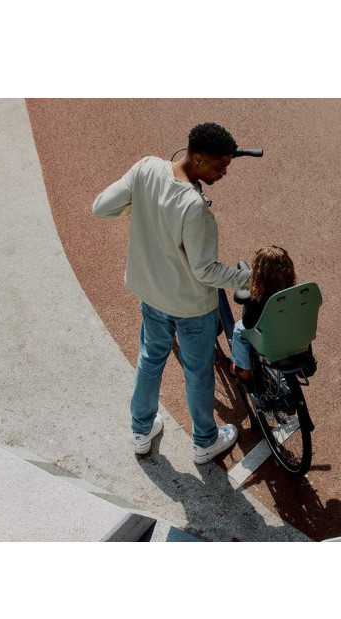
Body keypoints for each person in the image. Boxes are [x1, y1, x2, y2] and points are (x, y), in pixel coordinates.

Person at [92, 123, 251, 463]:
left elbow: (101, 207)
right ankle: (205, 441)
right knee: (198, 372)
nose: (224, 173)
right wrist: (246, 279)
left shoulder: (146, 168)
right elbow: (205, 270)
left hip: (150, 294)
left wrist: (145, 209)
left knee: (150, 359)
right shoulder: (195, 208)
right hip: (191, 306)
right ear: (196, 158)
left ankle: (141, 429)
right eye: (219, 166)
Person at [230, 246, 296, 380]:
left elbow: (249, 324)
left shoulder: (260, 298)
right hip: (291, 335)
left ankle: (243, 370)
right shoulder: (294, 293)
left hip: (268, 340)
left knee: (239, 330)